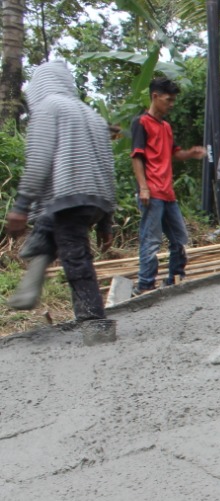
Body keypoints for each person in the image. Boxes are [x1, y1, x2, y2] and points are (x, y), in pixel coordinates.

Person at [4, 60, 115, 330]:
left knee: (76, 258)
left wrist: (20, 206)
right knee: (48, 224)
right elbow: (109, 167)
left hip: (69, 197)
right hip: (96, 198)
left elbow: (39, 160)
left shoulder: (48, 108)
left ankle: (94, 322)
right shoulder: (93, 115)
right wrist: (106, 222)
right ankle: (36, 262)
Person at [129, 76, 206, 295]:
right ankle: (145, 284)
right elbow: (136, 157)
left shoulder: (166, 127)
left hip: (167, 193)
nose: (171, 104)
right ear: (155, 96)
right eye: (168, 100)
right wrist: (143, 187)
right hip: (152, 191)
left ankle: (175, 277)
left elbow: (175, 153)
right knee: (151, 240)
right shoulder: (141, 122)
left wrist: (190, 153)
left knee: (179, 238)